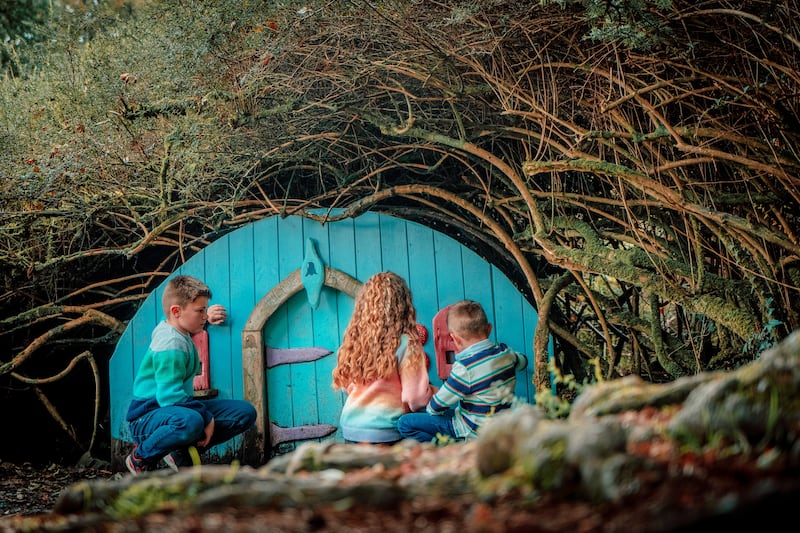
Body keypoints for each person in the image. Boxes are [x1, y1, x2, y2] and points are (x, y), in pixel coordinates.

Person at [124, 275, 256, 474]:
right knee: (191, 421)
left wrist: (205, 318)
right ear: (177, 311)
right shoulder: (170, 343)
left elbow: (174, 317)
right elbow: (169, 396)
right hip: (147, 417)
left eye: (205, 310)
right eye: (200, 311)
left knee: (245, 413)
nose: (204, 315)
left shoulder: (174, 325)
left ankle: (179, 448)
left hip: (174, 410)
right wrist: (207, 417)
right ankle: (141, 456)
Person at [397, 299, 527, 443]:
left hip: (471, 430)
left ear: (455, 339)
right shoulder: (505, 352)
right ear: (489, 328)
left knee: (405, 423)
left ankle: (449, 448)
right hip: (501, 426)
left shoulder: (465, 367)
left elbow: (437, 406)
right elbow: (522, 362)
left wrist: (432, 409)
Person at [332, 271, 435, 444]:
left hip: (351, 429)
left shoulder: (354, 340)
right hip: (387, 431)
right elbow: (415, 399)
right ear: (403, 305)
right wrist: (435, 392)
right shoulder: (406, 342)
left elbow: (345, 386)